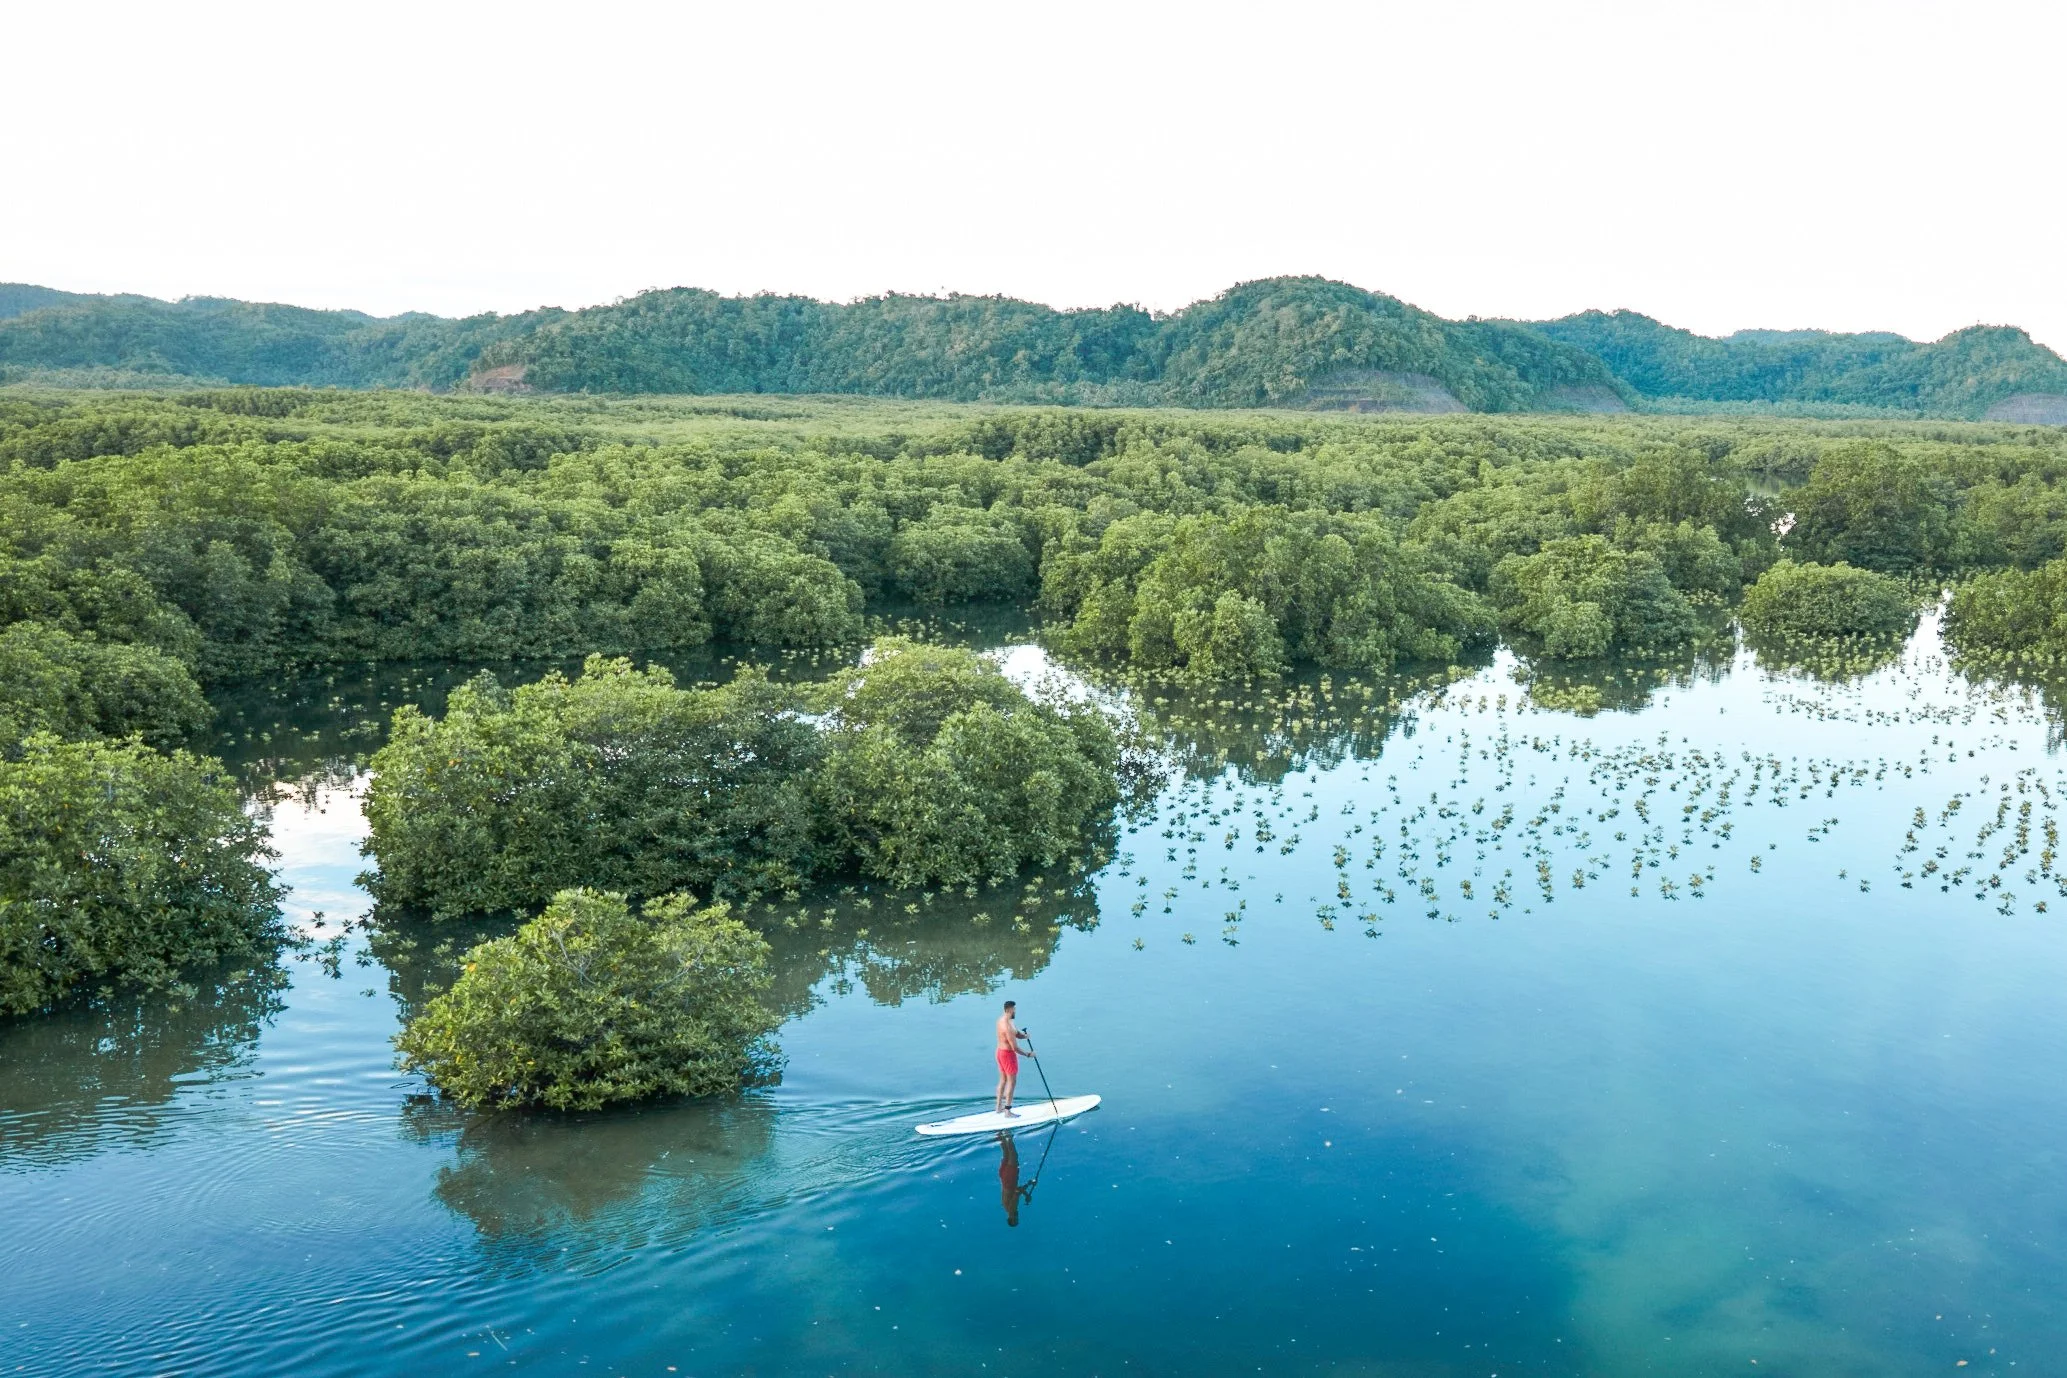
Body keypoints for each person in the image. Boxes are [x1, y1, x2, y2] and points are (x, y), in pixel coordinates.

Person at [994, 999, 1032, 1115]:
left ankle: (998, 1108)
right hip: (1008, 1055)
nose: (1015, 1011)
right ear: (1010, 1009)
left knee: (1003, 1080)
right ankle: (1007, 1111)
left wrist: (1023, 1036)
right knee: (1012, 1082)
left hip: (1000, 1052)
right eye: (1014, 1009)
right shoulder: (1007, 1026)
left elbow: (1016, 1033)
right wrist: (1028, 1054)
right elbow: (1014, 1047)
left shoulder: (1002, 1020)